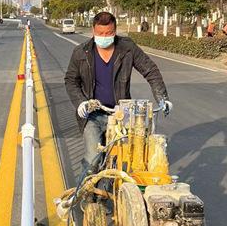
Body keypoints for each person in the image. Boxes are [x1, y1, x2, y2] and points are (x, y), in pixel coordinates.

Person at [65, 11, 172, 171]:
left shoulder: (127, 48)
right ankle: (86, 186)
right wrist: (81, 102)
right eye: (100, 33)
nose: (104, 37)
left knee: (126, 158)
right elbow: (71, 80)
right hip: (93, 115)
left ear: (115, 31)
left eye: (108, 33)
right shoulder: (81, 52)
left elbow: (150, 70)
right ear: (93, 31)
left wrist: (163, 98)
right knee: (93, 160)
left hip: (122, 114)